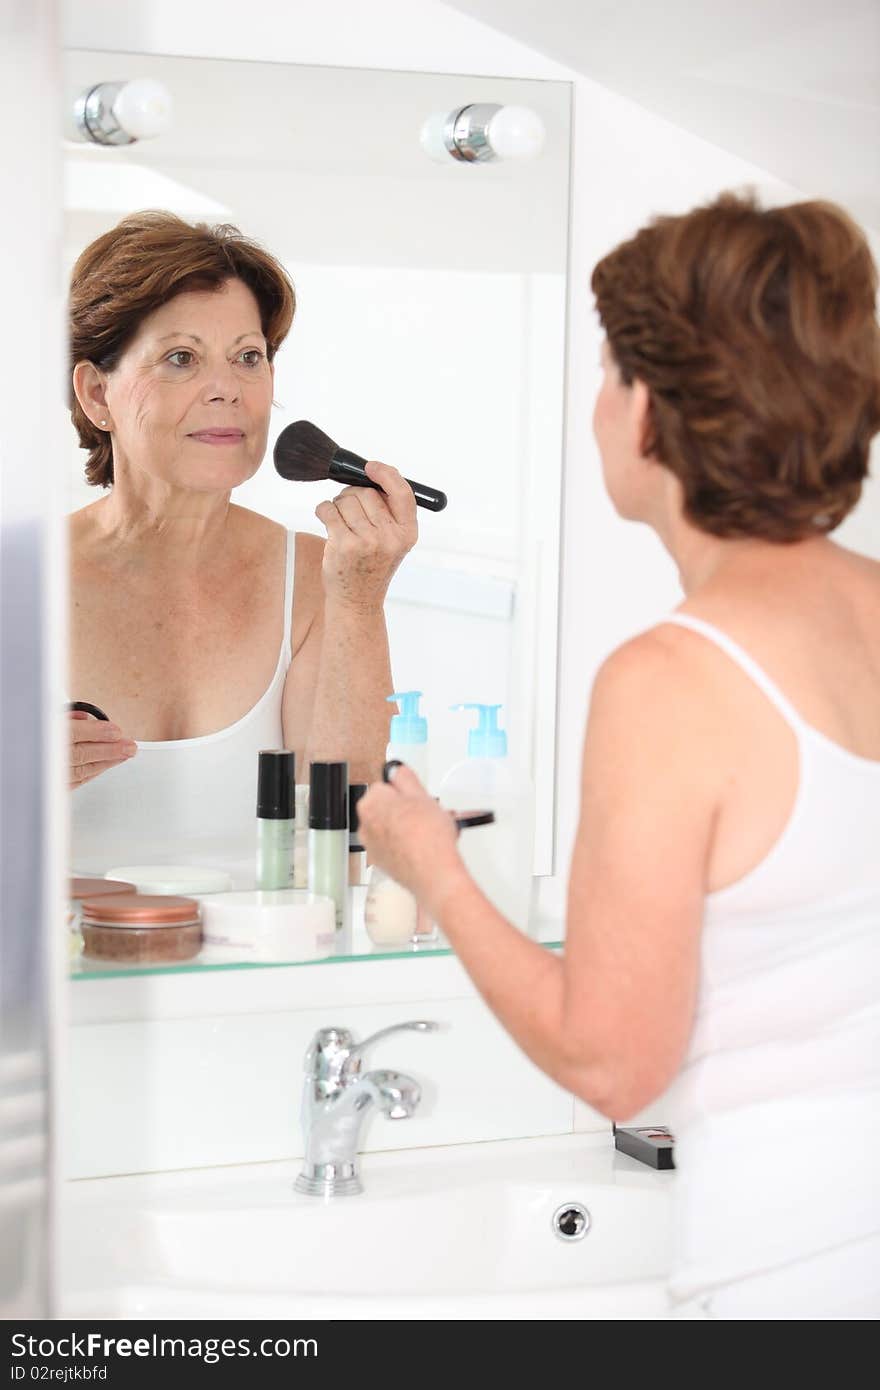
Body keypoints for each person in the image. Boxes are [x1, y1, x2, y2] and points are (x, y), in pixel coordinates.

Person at [357, 192, 880, 1319]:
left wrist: (432, 866)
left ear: (653, 407)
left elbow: (611, 1065)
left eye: (608, 372)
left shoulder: (672, 680)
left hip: (786, 1273)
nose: (597, 407)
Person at [67, 211, 416, 875]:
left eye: (248, 357)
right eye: (181, 358)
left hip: (255, 973)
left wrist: (360, 601)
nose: (227, 388)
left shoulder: (319, 579)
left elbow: (336, 854)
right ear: (96, 394)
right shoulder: (19, 581)